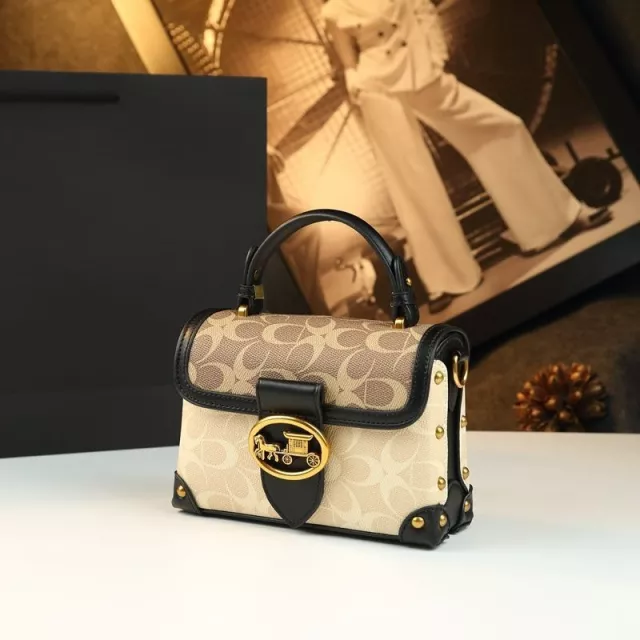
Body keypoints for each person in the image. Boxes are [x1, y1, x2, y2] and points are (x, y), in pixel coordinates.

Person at [322, 0, 609, 312]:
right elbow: (348, 60)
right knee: (410, 183)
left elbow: (424, 12)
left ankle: (557, 218)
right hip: (377, 88)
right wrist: (356, 82)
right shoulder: (334, 10)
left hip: (421, 71)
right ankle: (446, 279)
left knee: (502, 127)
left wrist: (436, 57)